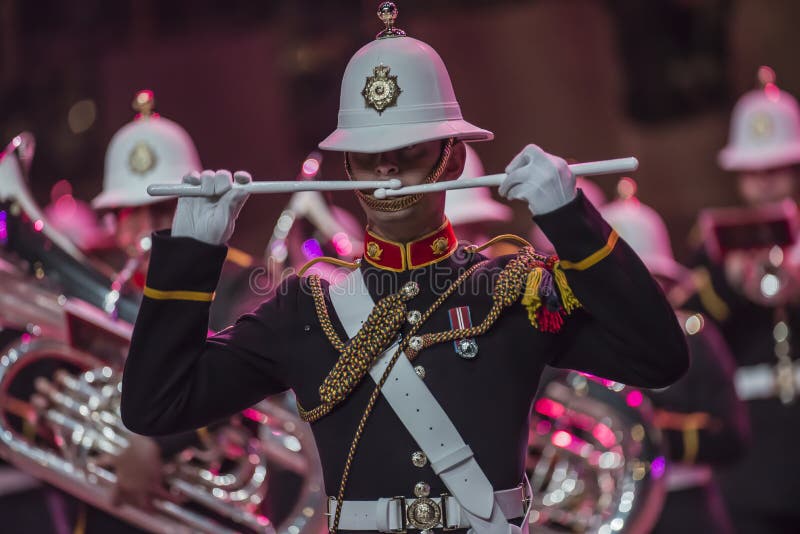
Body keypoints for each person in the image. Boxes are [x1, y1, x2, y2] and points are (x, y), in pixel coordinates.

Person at [120, 4, 688, 533]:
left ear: (455, 157)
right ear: (347, 162)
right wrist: (192, 252)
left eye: (411, 149)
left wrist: (572, 222)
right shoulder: (305, 309)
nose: (387, 167)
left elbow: (659, 357)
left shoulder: (511, 290)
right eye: (368, 153)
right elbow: (156, 406)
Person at [688, 67, 800, 534]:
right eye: (752, 172)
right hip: (751, 430)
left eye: (774, 169)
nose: (764, 183)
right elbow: (694, 331)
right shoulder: (711, 247)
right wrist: (727, 284)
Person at [600, 192, 749, 534]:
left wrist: (644, 432)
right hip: (608, 512)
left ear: (666, 284)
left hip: (684, 510)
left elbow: (731, 437)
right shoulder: (583, 347)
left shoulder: (695, 337)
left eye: (645, 283)